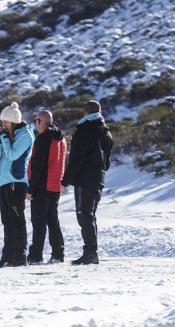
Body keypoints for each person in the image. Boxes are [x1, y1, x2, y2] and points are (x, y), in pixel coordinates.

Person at [62, 100, 114, 265]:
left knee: (84, 215)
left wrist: (66, 180)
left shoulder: (85, 130)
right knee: (90, 215)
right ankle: (91, 252)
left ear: (85, 112)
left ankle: (90, 253)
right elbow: (107, 159)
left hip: (85, 179)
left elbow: (77, 158)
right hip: (98, 178)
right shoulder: (106, 131)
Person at [0, 102, 35, 268]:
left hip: (16, 182)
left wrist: (3, 138)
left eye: (6, 122)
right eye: (2, 122)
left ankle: (20, 255)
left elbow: (14, 155)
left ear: (14, 121)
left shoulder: (25, 135)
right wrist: (0, 143)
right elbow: (1, 156)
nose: (3, 125)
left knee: (17, 219)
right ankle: (7, 255)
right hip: (5, 181)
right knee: (7, 220)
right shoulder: (10, 135)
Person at [26, 110, 67, 264]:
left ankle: (36, 256)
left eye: (36, 120)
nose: (36, 123)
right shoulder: (61, 139)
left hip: (42, 186)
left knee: (39, 222)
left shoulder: (43, 138)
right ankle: (58, 254)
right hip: (55, 185)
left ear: (40, 122)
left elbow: (38, 166)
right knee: (52, 221)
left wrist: (31, 190)